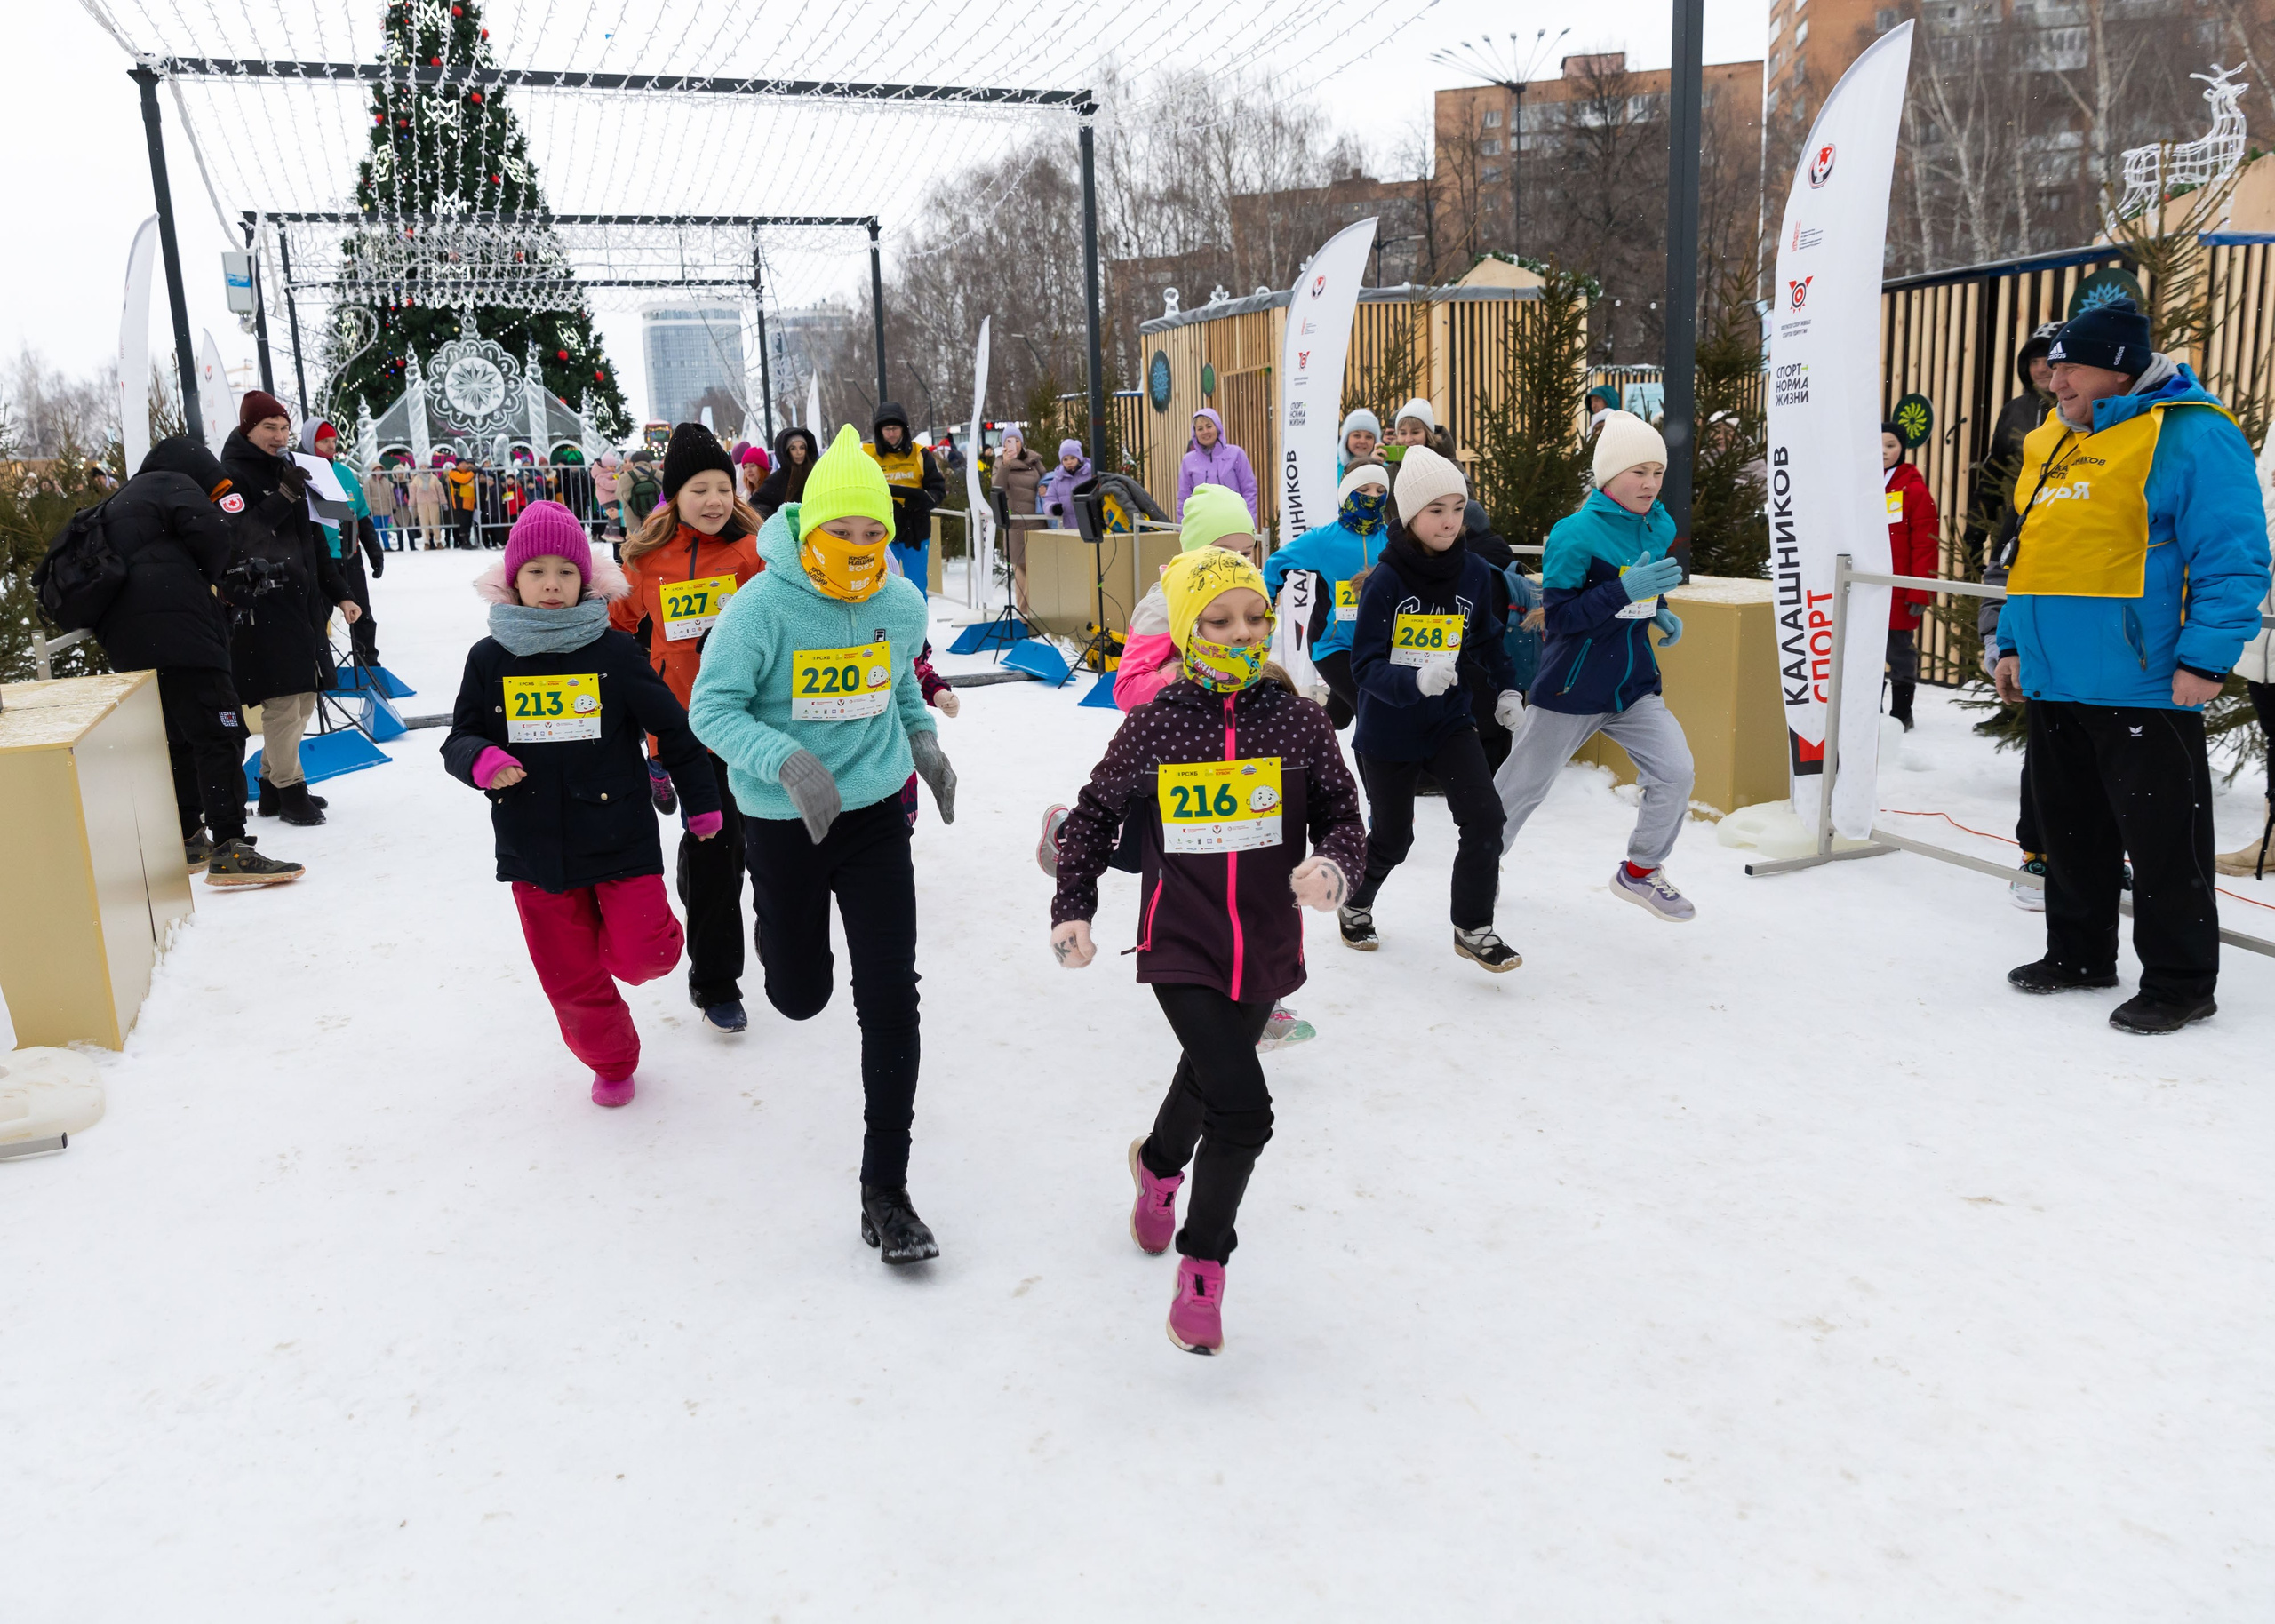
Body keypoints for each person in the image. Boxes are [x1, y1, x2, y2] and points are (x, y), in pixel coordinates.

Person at [1048, 545, 1365, 1356]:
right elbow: (1089, 818)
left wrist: (1332, 867)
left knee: (1205, 1074)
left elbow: (1342, 814)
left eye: (1255, 619)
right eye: (1219, 622)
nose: (1241, 634)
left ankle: (1157, 1167)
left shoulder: (1297, 720)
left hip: (1266, 942)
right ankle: (1202, 1268)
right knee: (1244, 1110)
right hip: (1180, 941)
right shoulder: (1157, 725)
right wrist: (1072, 907)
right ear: (1188, 634)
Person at [688, 425, 959, 1265]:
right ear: (808, 532)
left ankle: (887, 1191)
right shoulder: (762, 607)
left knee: (891, 992)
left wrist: (922, 744)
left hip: (875, 815)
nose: (860, 546)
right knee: (801, 995)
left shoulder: (900, 603)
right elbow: (711, 710)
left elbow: (897, 686)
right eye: (842, 531)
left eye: (873, 531)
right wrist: (783, 759)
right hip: (783, 821)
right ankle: (780, 937)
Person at [1990, 298, 2270, 1034]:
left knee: (2163, 842)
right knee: (2070, 827)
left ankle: (2181, 982)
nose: (2054, 382)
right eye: (2053, 369)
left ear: (2115, 368)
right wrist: (2013, 642)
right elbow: (2031, 555)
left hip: (2146, 682)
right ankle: (2077, 953)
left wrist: (2208, 660)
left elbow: (2233, 557)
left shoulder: (2194, 435)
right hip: (2057, 675)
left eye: (2069, 367)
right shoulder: (2054, 440)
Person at [443, 504, 721, 1107]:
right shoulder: (488, 659)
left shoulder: (616, 654)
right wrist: (483, 761)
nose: (550, 584)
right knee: (569, 980)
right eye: (536, 571)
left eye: (565, 572)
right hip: (534, 846)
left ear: (586, 580)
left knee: (644, 958)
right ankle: (612, 1059)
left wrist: (702, 803)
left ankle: (629, 943)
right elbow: (459, 738)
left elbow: (672, 731)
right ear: (512, 580)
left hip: (619, 835)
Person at [1041, 484, 1321, 1053]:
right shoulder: (1160, 605)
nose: (1239, 563)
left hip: (1235, 750)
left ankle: (1255, 997)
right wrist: (1183, 677)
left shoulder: (1247, 602)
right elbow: (1126, 688)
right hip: (1175, 750)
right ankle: (1064, 834)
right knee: (1151, 853)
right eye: (1225, 549)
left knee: (1238, 858)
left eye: (1248, 552)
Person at [1491, 411, 1697, 923]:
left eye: (1657, 471)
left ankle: (1641, 871)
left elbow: (1647, 582)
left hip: (1633, 685)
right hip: (1572, 688)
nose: (1650, 483)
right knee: (1522, 788)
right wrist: (1628, 590)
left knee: (1675, 773)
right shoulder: (1575, 534)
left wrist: (1661, 608)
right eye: (1638, 472)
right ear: (1608, 477)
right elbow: (1559, 619)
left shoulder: (1660, 522)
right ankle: (1480, 863)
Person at [90, 435, 304, 887]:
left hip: (130, 644)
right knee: (220, 734)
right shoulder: (174, 483)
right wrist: (229, 575)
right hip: (183, 635)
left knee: (178, 739)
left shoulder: (119, 501)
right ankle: (231, 848)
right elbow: (215, 537)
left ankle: (189, 837)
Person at [1342, 444, 1522, 969]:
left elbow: (1488, 639)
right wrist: (1414, 680)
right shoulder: (1386, 582)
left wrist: (1509, 689)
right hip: (1389, 729)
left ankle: (1473, 926)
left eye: (1457, 508)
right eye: (1435, 510)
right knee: (1394, 840)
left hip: (1449, 722)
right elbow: (1365, 666)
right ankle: (1356, 902)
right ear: (1410, 515)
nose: (1449, 521)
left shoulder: (1472, 574)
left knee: (1486, 819)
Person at [611, 424, 766, 1035]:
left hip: (748, 722)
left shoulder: (756, 554)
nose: (713, 500)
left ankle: (708, 883)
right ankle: (717, 981)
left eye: (723, 487)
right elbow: (619, 626)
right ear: (675, 496)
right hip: (682, 730)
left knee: (739, 846)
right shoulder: (647, 560)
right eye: (699, 488)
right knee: (716, 847)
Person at [220, 391, 363, 828]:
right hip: (263, 606)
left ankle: (269, 788)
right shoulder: (230, 475)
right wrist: (284, 495)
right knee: (285, 702)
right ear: (249, 429)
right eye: (270, 428)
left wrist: (341, 591)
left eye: (284, 428)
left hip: (300, 603)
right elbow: (242, 536)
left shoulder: (289, 469)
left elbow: (314, 540)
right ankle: (290, 789)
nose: (280, 436)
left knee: (302, 698)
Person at [1260, 461, 1393, 728]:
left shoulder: (1391, 539)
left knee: (1339, 718)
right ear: (1347, 494)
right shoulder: (1324, 540)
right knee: (1371, 710)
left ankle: (1293, 730)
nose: (1373, 497)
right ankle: (1368, 772)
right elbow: (1277, 563)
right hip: (1332, 646)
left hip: (1376, 646)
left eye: (1380, 490)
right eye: (1364, 489)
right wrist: (1264, 605)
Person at [300, 420, 383, 667]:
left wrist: (375, 553)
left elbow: (362, 516)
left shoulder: (345, 473)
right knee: (317, 615)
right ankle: (318, 666)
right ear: (309, 442)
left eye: (334, 441)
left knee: (362, 612)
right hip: (317, 558)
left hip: (349, 555)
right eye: (324, 441)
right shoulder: (301, 473)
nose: (331, 446)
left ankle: (367, 661)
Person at [1881, 423, 1941, 730]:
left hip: (1899, 591)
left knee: (1899, 652)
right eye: (1876, 445)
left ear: (1902, 449)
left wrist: (1921, 591)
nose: (1882, 452)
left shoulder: (1913, 490)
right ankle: (1870, 713)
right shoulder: (1863, 487)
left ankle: (1901, 713)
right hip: (1867, 589)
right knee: (1866, 652)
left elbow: (1925, 543)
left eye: (1890, 445)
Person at [864, 401, 946, 583]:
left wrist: (921, 503)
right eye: (887, 429)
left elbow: (937, 489)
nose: (891, 433)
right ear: (879, 431)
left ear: (903, 429)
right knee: (882, 585)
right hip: (881, 531)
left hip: (915, 531)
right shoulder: (868, 456)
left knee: (916, 586)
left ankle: (917, 612)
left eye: (895, 428)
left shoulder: (920, 454)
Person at [989, 426, 1046, 613]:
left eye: (1016, 440)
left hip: (1038, 522)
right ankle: (1025, 615)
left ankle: (1040, 611)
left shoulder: (1034, 461)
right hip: (1015, 526)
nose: (1013, 444)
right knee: (1021, 571)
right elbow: (997, 488)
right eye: (1008, 441)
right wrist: (1006, 465)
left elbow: (1046, 481)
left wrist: (1045, 489)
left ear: (1022, 442)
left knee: (1038, 568)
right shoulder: (1000, 463)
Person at [1175, 407, 1257, 521]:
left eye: (1209, 426)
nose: (1205, 432)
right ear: (1195, 433)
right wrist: (1183, 529)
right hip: (1203, 525)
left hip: (1234, 522)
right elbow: (1184, 498)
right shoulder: (1188, 461)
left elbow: (1249, 491)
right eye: (1200, 428)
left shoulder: (1236, 454)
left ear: (1218, 428)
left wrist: (1250, 524)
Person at [753, 426, 818, 519]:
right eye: (793, 448)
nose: (799, 452)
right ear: (786, 452)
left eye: (802, 447)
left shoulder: (816, 474)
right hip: (787, 530)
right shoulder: (776, 479)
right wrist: (777, 518)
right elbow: (756, 504)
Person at [1041, 438, 1091, 526]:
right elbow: (1048, 500)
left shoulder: (1089, 475)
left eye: (1072, 458)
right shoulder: (1057, 480)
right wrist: (1053, 508)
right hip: (1068, 528)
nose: (1069, 462)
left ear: (1079, 458)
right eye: (1065, 459)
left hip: (1090, 524)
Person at [1336, 408, 1381, 479]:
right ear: (1346, 439)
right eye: (1357, 436)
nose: (1363, 441)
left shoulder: (1384, 469)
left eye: (1369, 437)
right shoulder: (1332, 467)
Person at [410, 462, 444, 549]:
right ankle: (426, 542)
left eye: (425, 466)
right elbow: (413, 493)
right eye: (422, 466)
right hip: (421, 503)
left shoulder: (434, 478)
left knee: (435, 521)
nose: (424, 468)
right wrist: (411, 504)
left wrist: (444, 502)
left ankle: (438, 541)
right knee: (424, 522)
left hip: (433, 502)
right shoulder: (416, 479)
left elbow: (440, 491)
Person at [365, 461, 398, 551]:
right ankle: (377, 547)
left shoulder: (386, 482)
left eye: (380, 470)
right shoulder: (369, 482)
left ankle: (387, 546)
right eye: (376, 470)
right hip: (375, 510)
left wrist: (393, 506)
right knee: (376, 529)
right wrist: (369, 509)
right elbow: (367, 496)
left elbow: (391, 495)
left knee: (385, 529)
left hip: (385, 509)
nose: (378, 472)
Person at [448, 457, 480, 549]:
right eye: (462, 463)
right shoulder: (453, 472)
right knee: (464, 523)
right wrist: (472, 472)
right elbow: (463, 480)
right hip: (460, 501)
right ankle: (464, 542)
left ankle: (468, 541)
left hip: (470, 501)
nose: (465, 465)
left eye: (465, 463)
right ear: (457, 464)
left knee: (468, 523)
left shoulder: (467, 473)